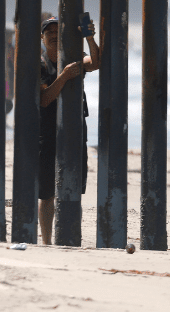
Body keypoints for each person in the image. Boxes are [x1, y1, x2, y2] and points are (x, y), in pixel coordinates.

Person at [38, 15, 100, 245]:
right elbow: (44, 99)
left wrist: (90, 39)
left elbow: (95, 62)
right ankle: (46, 242)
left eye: (57, 32)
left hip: (75, 132)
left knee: (72, 191)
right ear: (42, 37)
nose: (54, 36)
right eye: (49, 32)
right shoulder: (40, 63)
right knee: (46, 194)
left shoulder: (74, 57)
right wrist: (64, 76)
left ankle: (70, 237)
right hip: (47, 132)